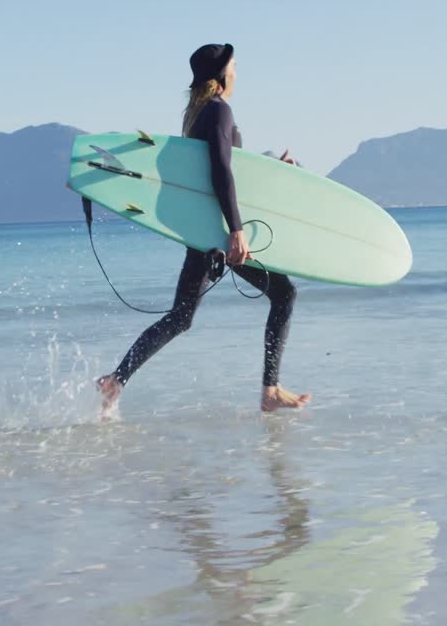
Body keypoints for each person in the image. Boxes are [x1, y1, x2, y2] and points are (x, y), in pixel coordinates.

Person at [96, 43, 311, 414]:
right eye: (235, 66)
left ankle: (116, 379)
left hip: (205, 232)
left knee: (181, 317)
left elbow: (231, 169)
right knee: (285, 294)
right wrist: (236, 230)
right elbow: (220, 171)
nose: (238, 72)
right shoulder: (219, 110)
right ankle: (270, 390)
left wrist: (274, 166)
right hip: (219, 232)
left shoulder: (197, 114)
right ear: (222, 74)